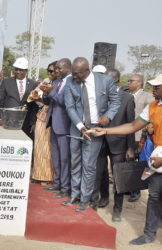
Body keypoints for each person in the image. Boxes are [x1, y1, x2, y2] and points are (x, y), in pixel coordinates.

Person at [92, 74, 162, 245]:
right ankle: (149, 233)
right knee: (154, 195)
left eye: (157, 87)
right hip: (158, 157)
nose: (153, 90)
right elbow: (132, 126)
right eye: (153, 86)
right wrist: (106, 131)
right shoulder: (153, 106)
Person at [62, 57, 120, 212]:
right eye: (73, 73)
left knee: (89, 165)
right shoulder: (70, 82)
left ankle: (84, 198)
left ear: (87, 70)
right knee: (75, 162)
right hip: (77, 127)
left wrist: (108, 116)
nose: (74, 77)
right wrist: (80, 126)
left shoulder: (105, 81)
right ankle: (74, 194)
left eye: (78, 74)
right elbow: (69, 107)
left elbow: (115, 102)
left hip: (95, 129)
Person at [91, 69, 135, 218]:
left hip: (119, 145)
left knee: (118, 178)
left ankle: (117, 210)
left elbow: (131, 124)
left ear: (115, 80)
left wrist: (130, 147)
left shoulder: (127, 98)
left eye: (106, 78)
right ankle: (93, 205)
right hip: (99, 141)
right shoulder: (99, 95)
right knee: (96, 175)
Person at [40, 58, 72, 198]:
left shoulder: (72, 83)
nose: (56, 71)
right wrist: (45, 93)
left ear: (67, 68)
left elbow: (64, 102)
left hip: (65, 126)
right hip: (53, 123)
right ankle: (57, 182)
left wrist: (51, 92)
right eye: (55, 69)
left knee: (64, 159)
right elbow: (51, 101)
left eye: (59, 69)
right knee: (56, 157)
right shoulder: (57, 82)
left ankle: (65, 188)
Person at [127, 74, 154, 202]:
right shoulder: (126, 95)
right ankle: (128, 187)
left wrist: (148, 126)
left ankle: (135, 191)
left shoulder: (148, 97)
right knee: (128, 163)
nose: (128, 83)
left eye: (130, 81)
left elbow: (152, 116)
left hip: (139, 137)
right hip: (126, 134)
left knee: (138, 165)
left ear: (139, 83)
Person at [0, 57, 38, 139]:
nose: (18, 72)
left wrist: (33, 122)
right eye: (16, 69)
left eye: (21, 70)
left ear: (26, 71)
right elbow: (1, 101)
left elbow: (34, 106)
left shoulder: (33, 84)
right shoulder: (6, 82)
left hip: (26, 122)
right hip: (8, 120)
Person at [31, 61, 57, 185]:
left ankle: (48, 176)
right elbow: (32, 96)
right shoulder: (45, 82)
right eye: (48, 71)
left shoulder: (60, 84)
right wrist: (38, 97)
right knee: (39, 146)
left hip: (55, 118)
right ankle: (37, 174)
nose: (49, 73)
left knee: (49, 148)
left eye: (51, 71)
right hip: (42, 117)